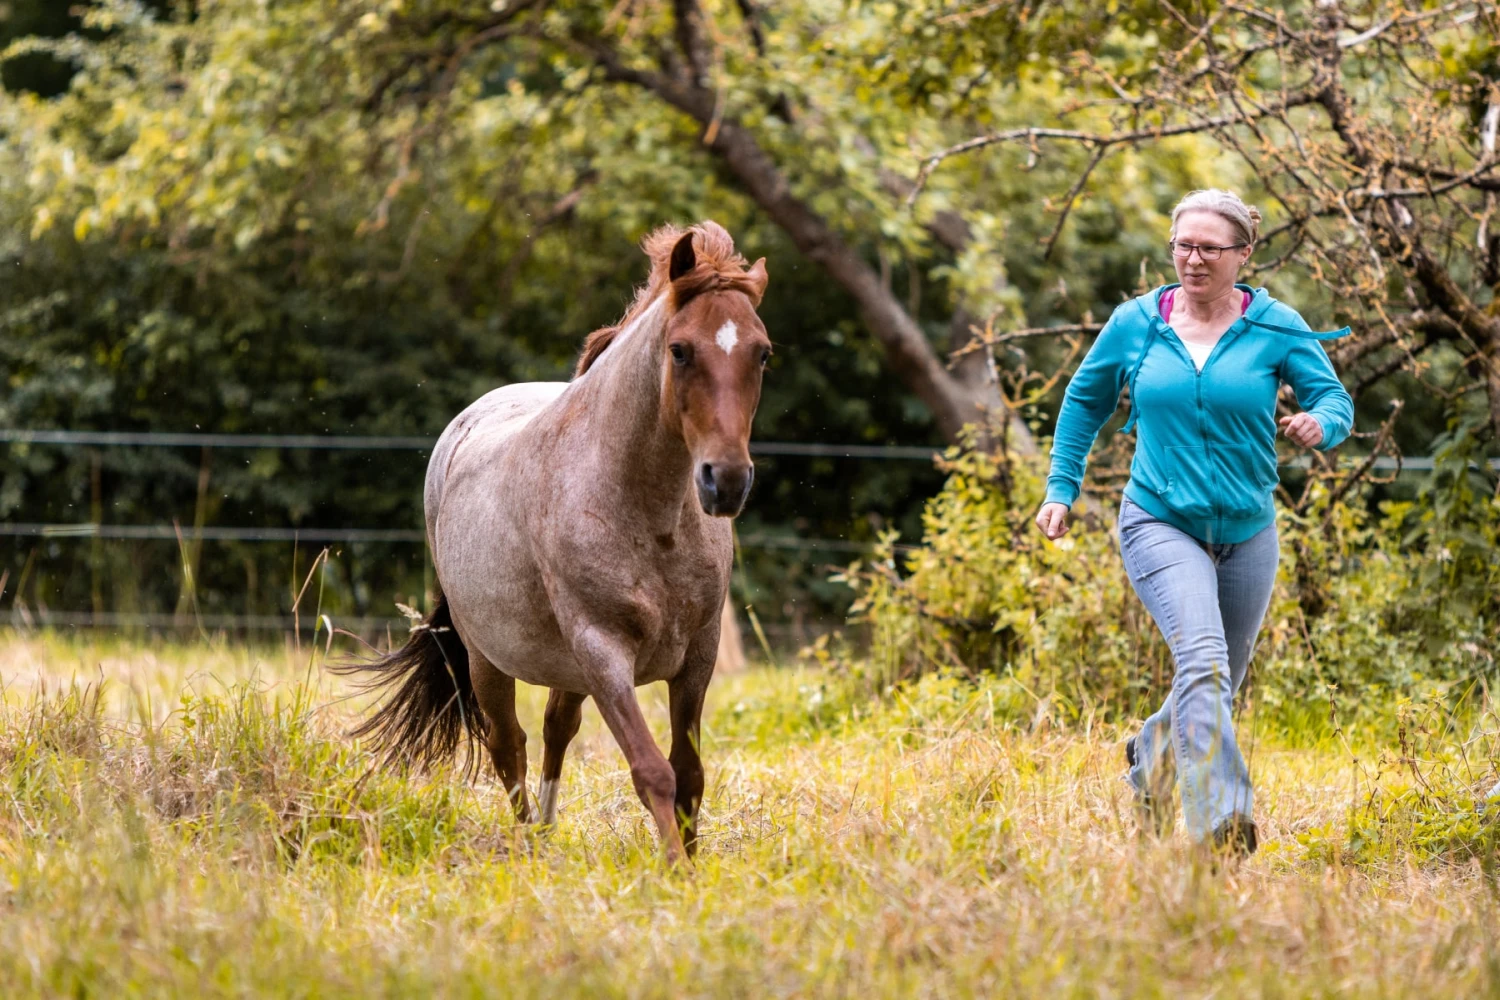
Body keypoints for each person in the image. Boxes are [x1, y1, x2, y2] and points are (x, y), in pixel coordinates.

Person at [1034, 189, 1354, 856]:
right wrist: (1061, 488)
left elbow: (1333, 397)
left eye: (1210, 247)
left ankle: (1149, 753)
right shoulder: (1135, 324)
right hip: (1159, 519)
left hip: (1248, 529)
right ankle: (1223, 822)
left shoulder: (1275, 325)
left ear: (1244, 254)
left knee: (1217, 683)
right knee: (1203, 663)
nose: (1194, 258)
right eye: (1183, 245)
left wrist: (1320, 424)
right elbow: (1083, 402)